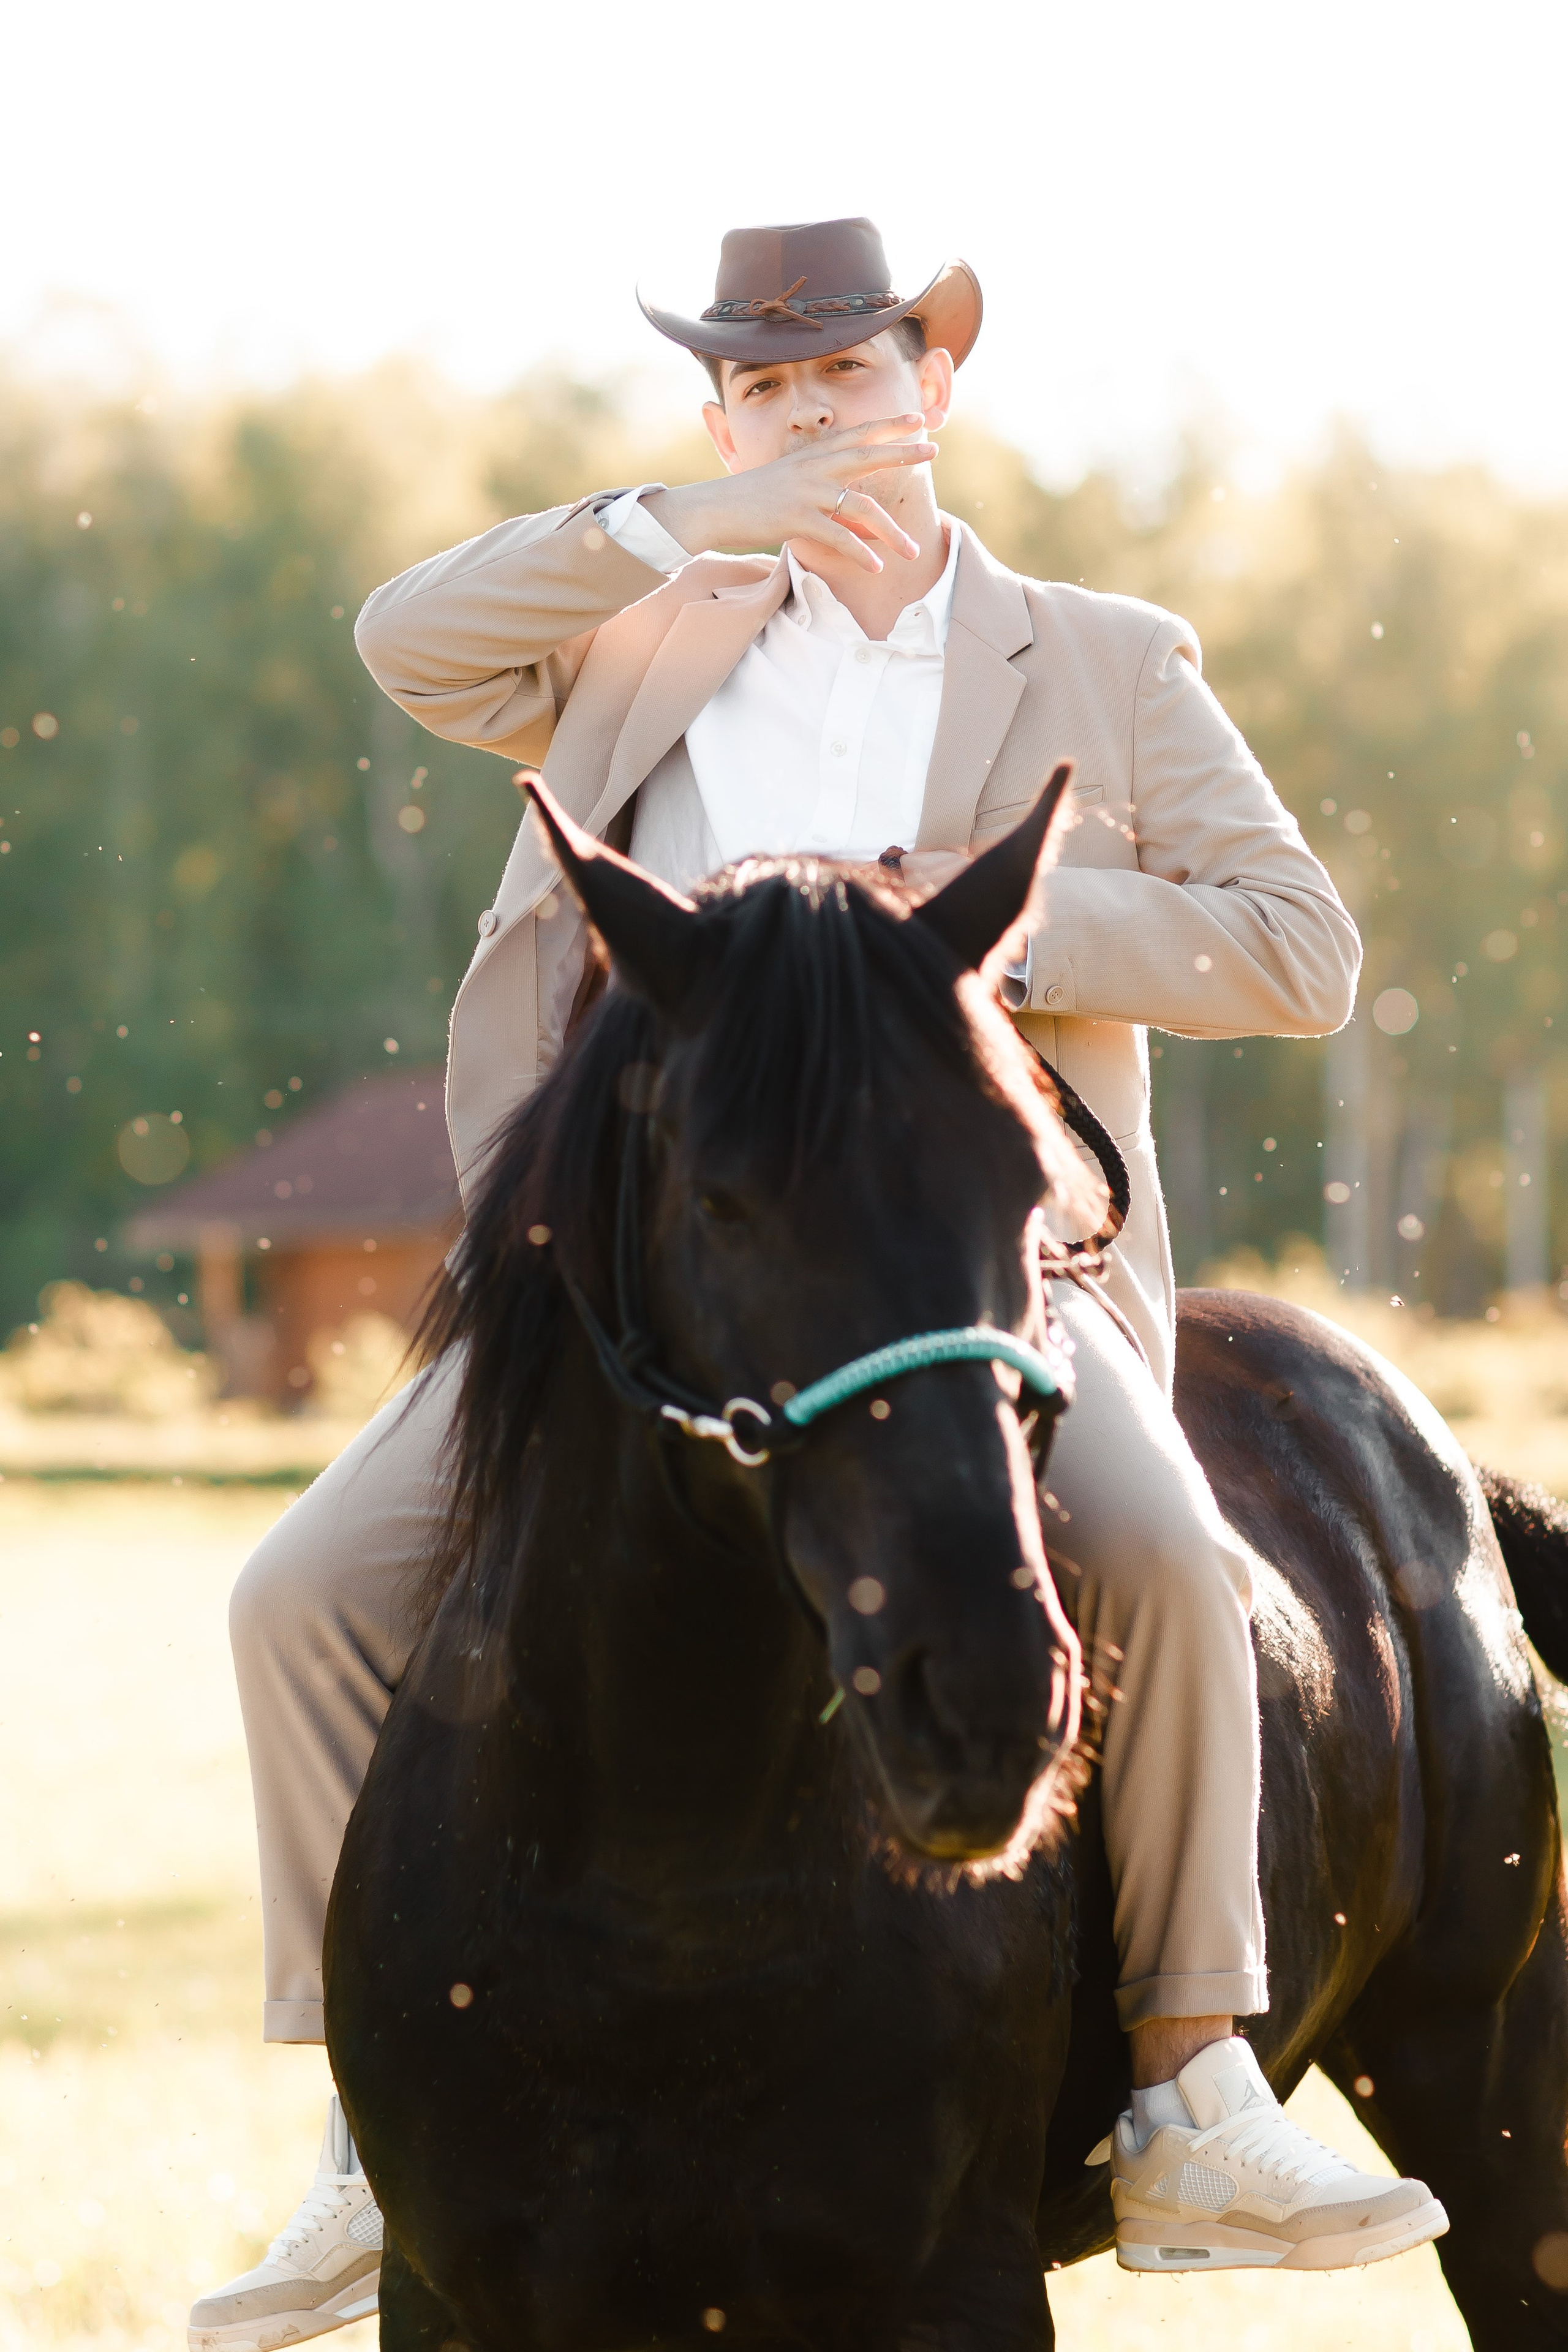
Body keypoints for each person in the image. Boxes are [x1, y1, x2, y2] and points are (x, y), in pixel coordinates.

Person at [189, 217, 1442, 2352]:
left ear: (931, 387)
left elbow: (1297, 948)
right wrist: (680, 528)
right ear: (717, 422)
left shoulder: (1100, 653)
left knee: (1149, 1536)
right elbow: (407, 637)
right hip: (644, 1276)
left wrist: (961, 948)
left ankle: (1191, 2081)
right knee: (293, 1591)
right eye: (763, 392)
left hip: (974, 1263)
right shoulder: (635, 632)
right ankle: (357, 2129)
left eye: (848, 376)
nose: (814, 418)